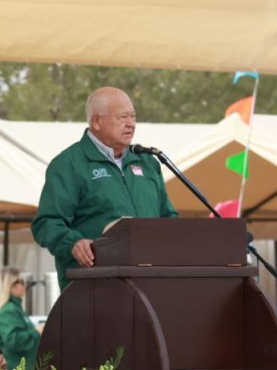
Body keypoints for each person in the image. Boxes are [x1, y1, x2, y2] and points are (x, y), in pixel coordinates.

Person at [31, 86, 178, 288]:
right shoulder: (68, 165)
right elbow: (46, 223)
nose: (131, 124)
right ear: (97, 122)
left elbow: (168, 218)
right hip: (92, 287)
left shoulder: (147, 163)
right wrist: (73, 243)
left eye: (133, 116)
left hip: (149, 286)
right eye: (123, 117)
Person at [0, 267, 41, 370]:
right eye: (21, 281)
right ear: (10, 287)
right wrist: (36, 332)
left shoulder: (16, 309)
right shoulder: (8, 311)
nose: (25, 285)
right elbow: (14, 341)